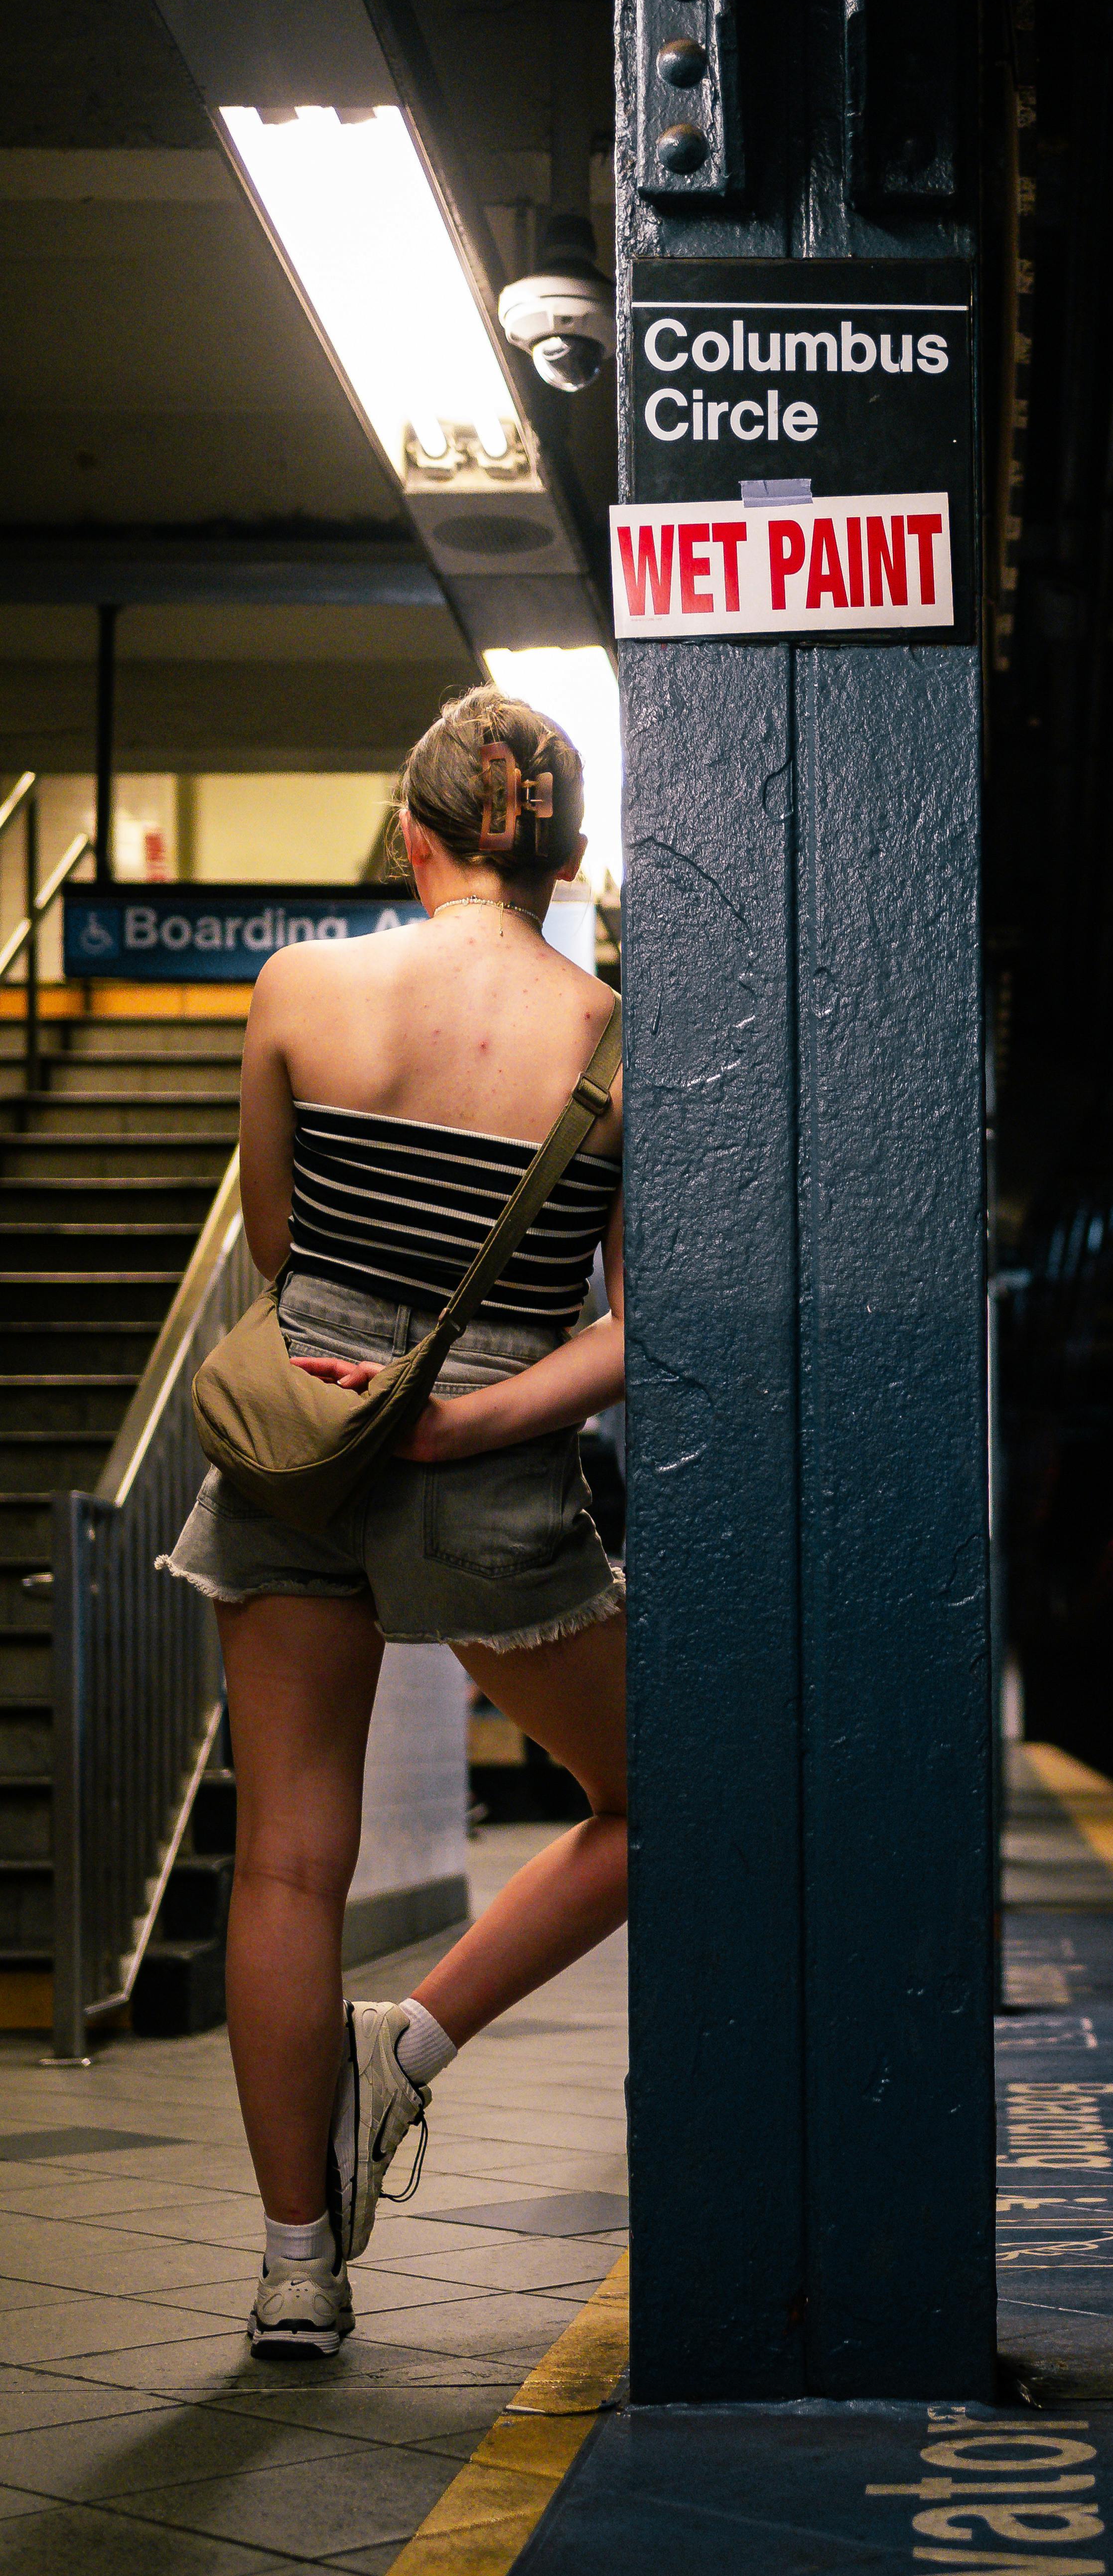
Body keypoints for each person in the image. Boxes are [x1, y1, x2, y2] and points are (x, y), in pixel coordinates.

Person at [164, 693, 629, 2358]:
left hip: (297, 1447)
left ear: (413, 834)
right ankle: (410, 2048)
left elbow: (288, 1252)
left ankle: (298, 2269)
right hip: (485, 1477)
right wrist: (480, 1418)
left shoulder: (300, 989)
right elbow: (638, 1329)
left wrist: (368, 1390)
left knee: (289, 1855)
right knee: (667, 1799)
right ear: (571, 861)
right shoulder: (613, 1037)